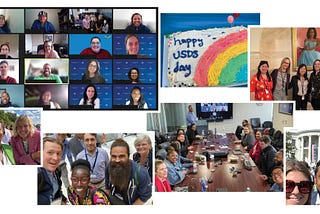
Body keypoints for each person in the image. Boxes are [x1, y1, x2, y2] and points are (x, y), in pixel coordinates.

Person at [105, 138, 152, 205]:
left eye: (121, 156)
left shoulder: (141, 174)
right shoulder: (109, 166)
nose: (117, 160)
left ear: (128, 155)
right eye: (114, 156)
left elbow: (145, 196)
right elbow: (107, 187)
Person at [38, 136, 67, 205]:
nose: (55, 158)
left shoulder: (57, 171)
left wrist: (63, 199)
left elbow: (57, 189)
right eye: (50, 152)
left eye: (58, 153)